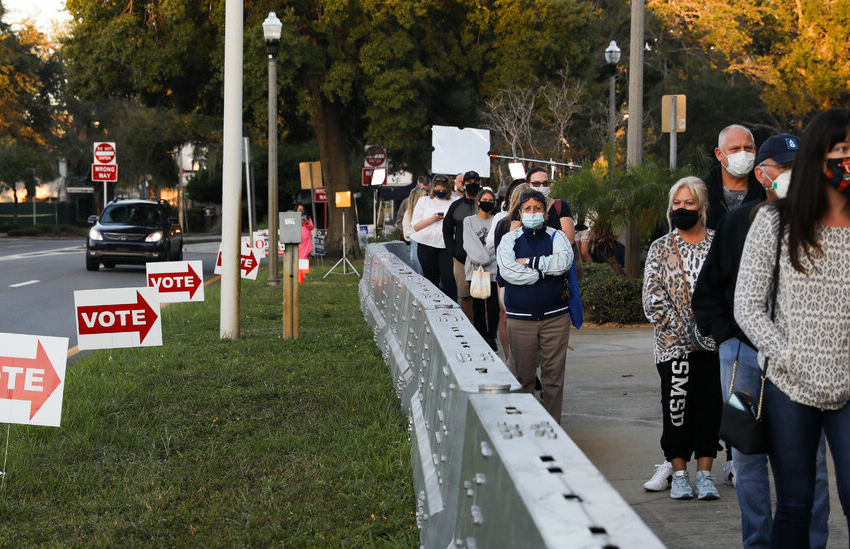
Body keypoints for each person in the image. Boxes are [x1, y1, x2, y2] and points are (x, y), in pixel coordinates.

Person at [693, 133, 831, 547]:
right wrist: (729, 339)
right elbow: (709, 292)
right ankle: (758, 540)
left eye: (797, 169)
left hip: (804, 362)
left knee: (812, 461)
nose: (790, 176)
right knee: (748, 457)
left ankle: (811, 541)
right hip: (745, 360)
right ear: (762, 174)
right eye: (781, 169)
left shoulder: (823, 222)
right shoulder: (740, 222)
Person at [735, 108, 850, 548]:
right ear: (817, 158)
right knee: (797, 502)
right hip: (789, 383)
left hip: (848, 384)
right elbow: (747, 306)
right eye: (841, 150)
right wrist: (788, 356)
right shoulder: (775, 222)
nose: (848, 159)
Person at [642, 176, 721, 500]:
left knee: (709, 410)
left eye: (689, 203)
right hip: (673, 349)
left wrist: (709, 333)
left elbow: (729, 291)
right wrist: (686, 333)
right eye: (677, 203)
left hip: (713, 347)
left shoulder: (719, 244)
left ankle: (704, 475)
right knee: (677, 411)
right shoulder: (660, 248)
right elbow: (652, 298)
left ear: (702, 207)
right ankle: (678, 475)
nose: (682, 209)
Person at [497, 189, 573, 421]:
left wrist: (529, 263)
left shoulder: (556, 236)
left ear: (545, 213)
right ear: (519, 212)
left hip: (556, 318)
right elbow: (509, 272)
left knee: (553, 379)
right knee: (523, 378)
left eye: (537, 208)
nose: (532, 213)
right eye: (527, 209)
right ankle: (526, 427)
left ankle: (553, 427)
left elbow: (563, 263)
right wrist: (542, 273)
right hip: (520, 319)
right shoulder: (509, 239)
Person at [704, 124, 764, 230]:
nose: (743, 154)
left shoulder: (766, 191)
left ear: (754, 150)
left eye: (748, 148)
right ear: (719, 154)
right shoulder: (701, 192)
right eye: (735, 149)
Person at [463, 187, 500, 351]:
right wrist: (483, 258)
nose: (487, 203)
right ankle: (481, 337)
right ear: (478, 202)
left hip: (494, 269)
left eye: (490, 201)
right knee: (477, 307)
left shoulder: (497, 221)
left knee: (494, 307)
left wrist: (488, 258)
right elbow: (470, 244)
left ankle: (492, 336)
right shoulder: (468, 221)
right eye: (484, 200)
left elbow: (497, 244)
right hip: (476, 269)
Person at [411, 175, 457, 300]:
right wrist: (432, 219)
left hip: (446, 245)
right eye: (438, 190)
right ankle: (433, 305)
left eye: (443, 191)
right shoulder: (424, 201)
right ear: (432, 188)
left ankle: (452, 306)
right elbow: (415, 226)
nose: (440, 193)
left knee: (449, 278)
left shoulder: (454, 202)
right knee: (431, 279)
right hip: (426, 243)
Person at [443, 171, 482, 316]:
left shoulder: (486, 204)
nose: (472, 184)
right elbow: (447, 229)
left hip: (485, 260)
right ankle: (471, 329)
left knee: (484, 295)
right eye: (469, 181)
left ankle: (484, 332)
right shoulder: (456, 206)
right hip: (462, 259)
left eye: (475, 181)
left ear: (479, 183)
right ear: (464, 184)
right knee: (465, 296)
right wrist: (453, 250)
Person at [403, 185, 429, 275]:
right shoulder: (409, 214)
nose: (427, 198)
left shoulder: (430, 211)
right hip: (418, 245)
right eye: (424, 196)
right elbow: (407, 234)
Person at [296, 205, 314, 283]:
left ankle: (303, 273)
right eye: (299, 209)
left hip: (306, 240)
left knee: (305, 256)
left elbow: (312, 227)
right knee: (300, 256)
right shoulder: (293, 217)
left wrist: (306, 222)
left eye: (302, 209)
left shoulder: (307, 217)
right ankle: (300, 273)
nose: (300, 210)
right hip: (297, 238)